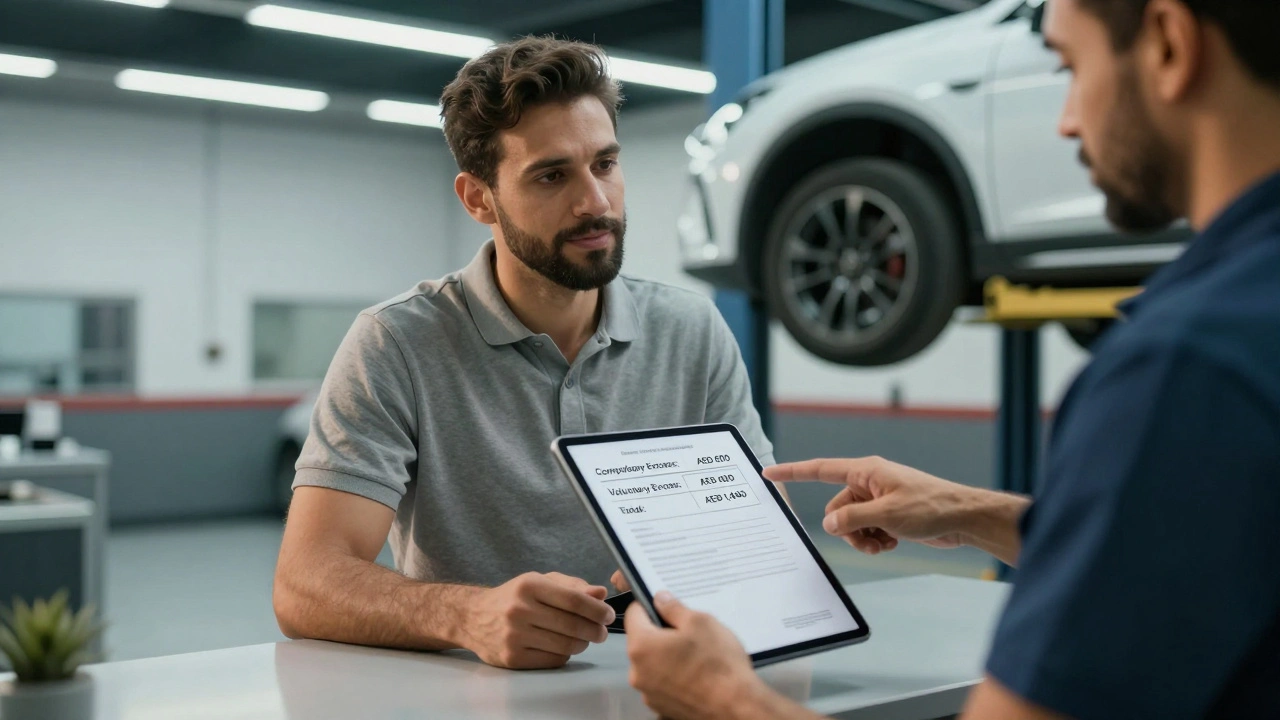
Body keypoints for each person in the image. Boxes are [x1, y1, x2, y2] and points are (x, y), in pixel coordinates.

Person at [624, 0, 1280, 717]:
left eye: (1069, 66)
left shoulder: (1185, 365)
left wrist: (721, 698)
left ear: (1167, 45)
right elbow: (1204, 545)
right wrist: (966, 511)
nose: (1064, 120)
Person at [271, 36, 774, 670]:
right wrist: (467, 614)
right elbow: (305, 584)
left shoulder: (691, 329)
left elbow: (757, 530)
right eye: (552, 174)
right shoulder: (397, 342)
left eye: (606, 164)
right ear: (479, 198)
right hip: (479, 696)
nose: (595, 201)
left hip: (673, 683)